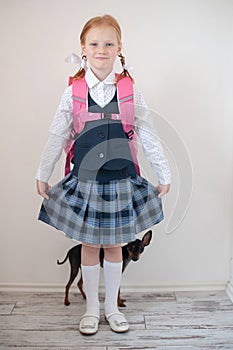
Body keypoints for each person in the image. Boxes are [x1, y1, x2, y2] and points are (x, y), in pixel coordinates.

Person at [36, 14, 171, 335]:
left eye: (109, 43)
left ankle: (111, 306)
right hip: (85, 181)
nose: (101, 49)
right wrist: (43, 171)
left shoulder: (130, 90)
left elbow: (148, 133)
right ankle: (92, 308)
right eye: (94, 43)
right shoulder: (73, 91)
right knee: (89, 245)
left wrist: (164, 172)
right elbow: (58, 134)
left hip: (121, 180)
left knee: (113, 246)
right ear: (83, 48)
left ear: (119, 48)